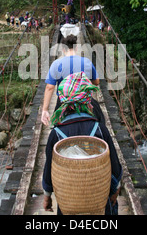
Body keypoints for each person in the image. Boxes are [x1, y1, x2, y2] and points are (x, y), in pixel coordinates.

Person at [42, 72, 122, 215]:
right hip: (99, 195)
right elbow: (114, 164)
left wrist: (47, 195)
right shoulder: (100, 129)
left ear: (63, 100)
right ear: (87, 99)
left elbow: (49, 167)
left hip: (69, 198)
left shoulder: (56, 134)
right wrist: (115, 189)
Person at [41, 34, 102, 127]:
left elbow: (49, 87)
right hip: (84, 101)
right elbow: (97, 82)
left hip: (63, 102)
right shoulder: (86, 62)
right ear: (76, 48)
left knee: (56, 128)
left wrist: (45, 110)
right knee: (101, 121)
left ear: (63, 49)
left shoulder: (56, 64)